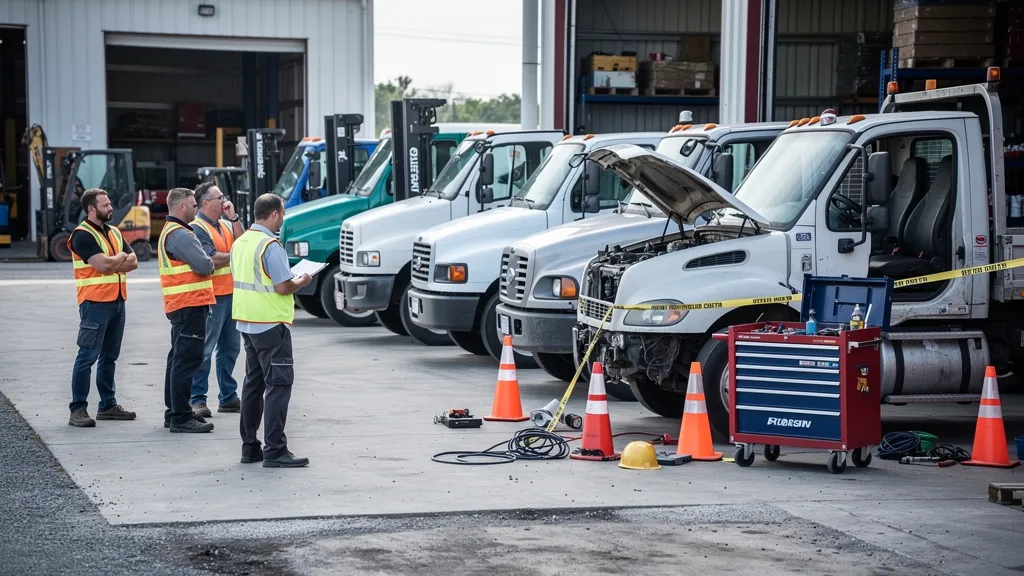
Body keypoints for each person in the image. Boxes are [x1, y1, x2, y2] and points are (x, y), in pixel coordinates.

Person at [231, 193, 312, 467]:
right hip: (270, 324)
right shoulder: (270, 245)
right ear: (275, 214)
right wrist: (302, 280)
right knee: (278, 385)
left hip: (247, 323)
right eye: (283, 213)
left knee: (253, 384)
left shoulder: (240, 242)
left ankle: (249, 447)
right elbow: (282, 286)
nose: (283, 218)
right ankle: (275, 450)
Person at [68, 188, 139, 427]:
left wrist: (114, 261)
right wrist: (119, 259)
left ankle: (108, 405)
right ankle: (78, 409)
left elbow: (135, 261)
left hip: (118, 302)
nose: (111, 208)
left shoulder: (114, 232)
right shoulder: (82, 235)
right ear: (91, 209)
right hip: (95, 303)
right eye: (106, 205)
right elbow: (104, 266)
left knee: (110, 357)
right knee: (87, 356)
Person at [158, 187, 216, 433]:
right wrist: (210, 260)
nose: (196, 208)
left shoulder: (173, 231)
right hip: (189, 304)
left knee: (178, 359)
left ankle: (175, 412)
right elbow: (204, 264)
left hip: (183, 305)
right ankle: (180, 416)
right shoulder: (181, 234)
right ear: (182, 207)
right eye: (193, 205)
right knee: (186, 359)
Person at [189, 182, 244, 417]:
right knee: (205, 349)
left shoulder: (224, 224)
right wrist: (239, 255)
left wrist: (234, 218)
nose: (224, 201)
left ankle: (228, 396)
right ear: (205, 203)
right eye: (219, 197)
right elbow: (212, 258)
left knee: (231, 348)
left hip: (231, 293)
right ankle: (197, 399)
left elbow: (243, 241)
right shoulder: (197, 227)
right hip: (212, 297)